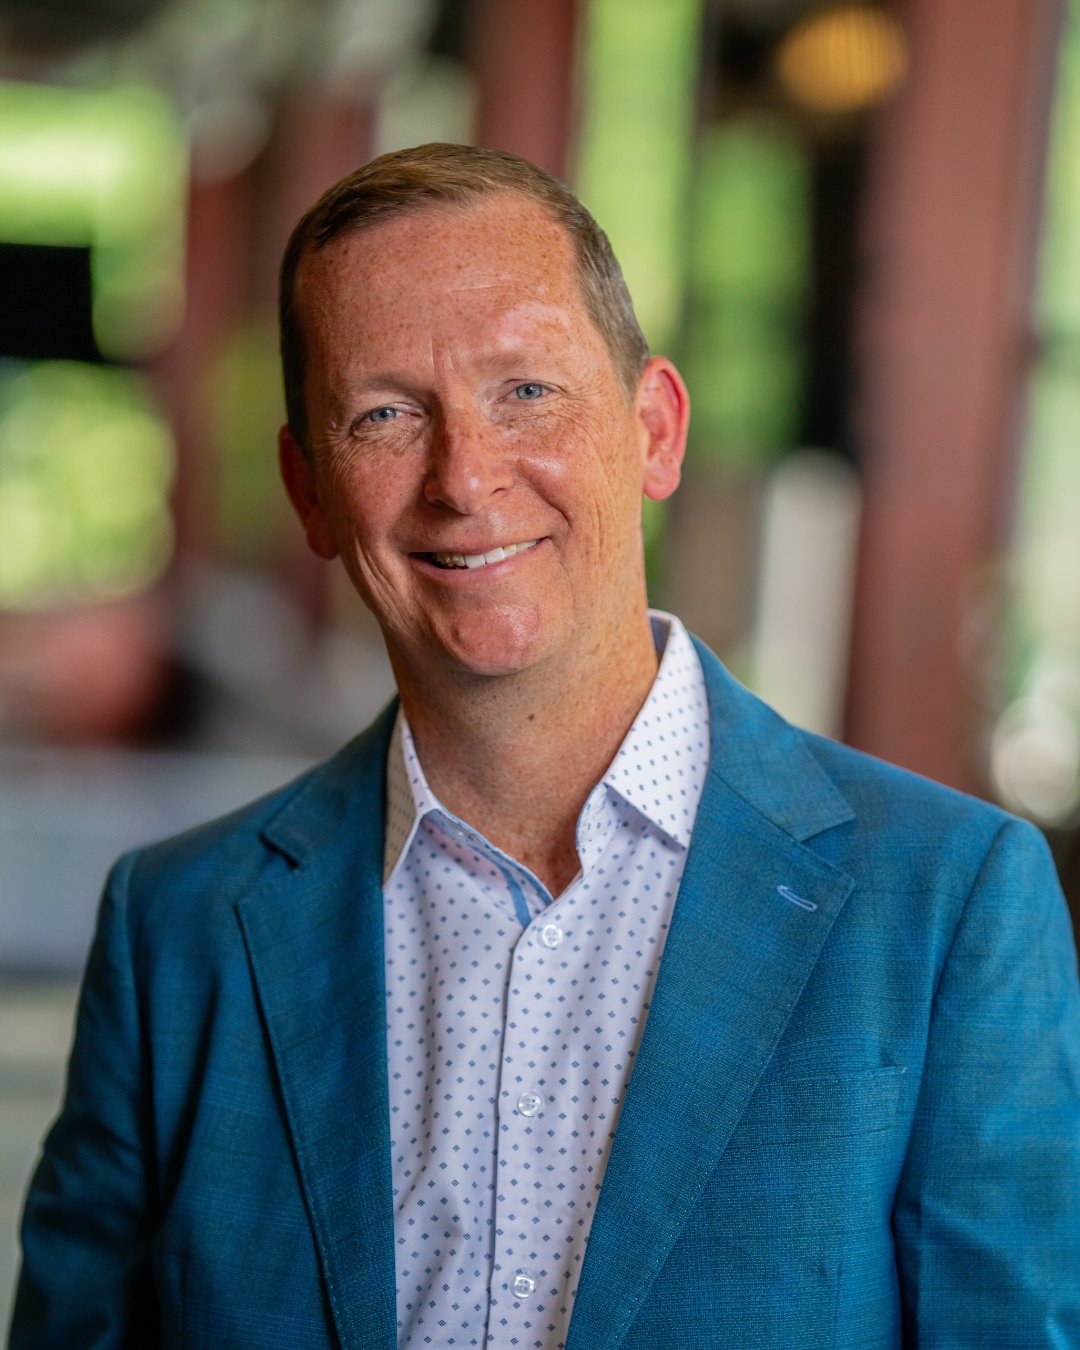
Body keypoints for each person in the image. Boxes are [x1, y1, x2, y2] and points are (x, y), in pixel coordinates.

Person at [10, 142, 1080, 1350]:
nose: (465, 477)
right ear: (309, 491)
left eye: (526, 389)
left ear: (655, 430)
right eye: (385, 414)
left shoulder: (946, 906)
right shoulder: (177, 933)